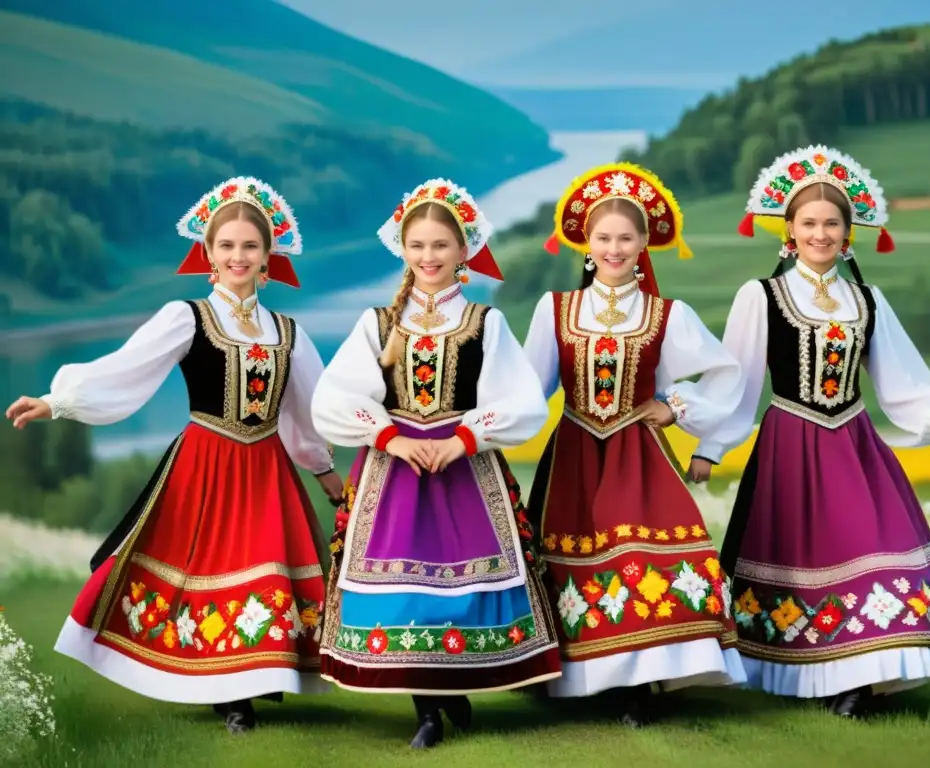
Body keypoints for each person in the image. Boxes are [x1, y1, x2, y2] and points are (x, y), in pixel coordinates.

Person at [5, 176, 345, 733]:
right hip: (205, 465)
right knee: (206, 569)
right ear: (208, 254)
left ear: (268, 257)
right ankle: (230, 696)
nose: (238, 256)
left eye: (250, 246)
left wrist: (324, 469)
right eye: (227, 245)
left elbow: (305, 408)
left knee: (263, 570)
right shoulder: (187, 317)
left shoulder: (288, 333)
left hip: (266, 470)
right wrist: (56, 401)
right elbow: (126, 367)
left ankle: (251, 682)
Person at [690, 144, 930, 718]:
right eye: (809, 223)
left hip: (855, 444)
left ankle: (863, 680)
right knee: (802, 557)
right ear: (789, 231)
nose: (820, 234)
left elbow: (898, 379)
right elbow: (738, 379)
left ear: (849, 234)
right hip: (789, 447)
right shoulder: (762, 296)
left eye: (832, 224)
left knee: (872, 544)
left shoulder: (867, 300)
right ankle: (830, 683)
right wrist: (711, 447)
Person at [311, 178, 561, 749]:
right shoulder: (376, 323)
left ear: (463, 251)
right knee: (402, 590)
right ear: (402, 249)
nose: (429, 257)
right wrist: (391, 437)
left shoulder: (484, 321)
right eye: (418, 246)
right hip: (394, 470)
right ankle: (427, 709)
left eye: (440, 246)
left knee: (467, 586)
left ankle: (450, 689)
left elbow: (520, 401)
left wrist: (464, 439)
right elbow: (334, 398)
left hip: (464, 472)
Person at [523, 162, 747, 726]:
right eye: (603, 238)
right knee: (577, 561)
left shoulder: (667, 314)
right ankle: (581, 678)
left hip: (639, 453)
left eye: (626, 238)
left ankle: (640, 686)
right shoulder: (555, 309)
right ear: (585, 242)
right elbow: (530, 386)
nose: (614, 248)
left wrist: (676, 408)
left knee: (641, 557)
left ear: (645, 243)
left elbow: (727, 373)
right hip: (575, 453)